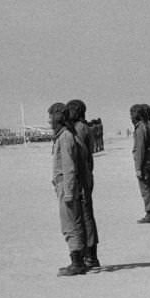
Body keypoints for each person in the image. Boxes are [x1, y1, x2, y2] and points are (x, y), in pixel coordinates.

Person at [50, 102, 86, 276]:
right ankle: (78, 260)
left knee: (70, 224)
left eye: (51, 117)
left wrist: (70, 192)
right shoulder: (66, 135)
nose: (50, 121)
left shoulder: (65, 137)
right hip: (65, 185)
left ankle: (77, 262)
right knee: (72, 223)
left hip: (66, 186)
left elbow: (69, 167)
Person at [66, 100, 100, 268]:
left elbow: (79, 155)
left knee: (85, 216)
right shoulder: (83, 127)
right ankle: (89, 254)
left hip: (82, 178)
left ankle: (90, 255)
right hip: (85, 176)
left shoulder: (79, 129)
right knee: (85, 215)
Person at [131, 104, 150, 223]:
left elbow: (140, 148)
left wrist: (138, 167)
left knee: (146, 188)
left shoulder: (140, 128)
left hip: (145, 161)